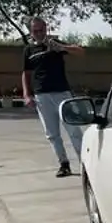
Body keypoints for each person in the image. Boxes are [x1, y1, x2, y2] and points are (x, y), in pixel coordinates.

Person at [22, 17, 86, 177]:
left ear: (46, 29)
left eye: (41, 30)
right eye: (35, 31)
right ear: (31, 32)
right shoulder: (28, 50)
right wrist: (27, 94)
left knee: (74, 130)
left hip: (62, 93)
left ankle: (85, 164)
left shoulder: (55, 45)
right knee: (52, 134)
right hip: (41, 95)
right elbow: (26, 73)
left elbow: (81, 52)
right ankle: (63, 164)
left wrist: (61, 47)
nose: (38, 33)